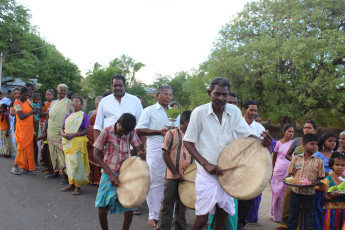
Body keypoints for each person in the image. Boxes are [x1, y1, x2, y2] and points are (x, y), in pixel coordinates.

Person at [183, 77, 272, 230]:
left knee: (223, 214)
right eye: (217, 94)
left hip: (228, 172)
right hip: (207, 173)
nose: (221, 98)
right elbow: (188, 142)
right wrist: (206, 164)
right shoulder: (199, 113)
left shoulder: (233, 111)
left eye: (225, 95)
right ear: (209, 92)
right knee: (202, 217)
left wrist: (261, 140)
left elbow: (245, 134)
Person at [93, 113, 145, 230]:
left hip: (127, 174)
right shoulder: (106, 132)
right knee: (102, 208)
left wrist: (140, 154)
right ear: (118, 122)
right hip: (108, 172)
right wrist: (111, 174)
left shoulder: (130, 132)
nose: (123, 134)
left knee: (129, 208)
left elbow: (138, 150)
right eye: (122, 131)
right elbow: (96, 154)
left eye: (126, 133)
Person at [136, 85, 173, 227]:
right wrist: (160, 132)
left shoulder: (174, 111)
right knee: (155, 181)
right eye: (165, 94)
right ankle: (154, 215)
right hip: (156, 148)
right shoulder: (149, 111)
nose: (168, 97)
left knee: (170, 181)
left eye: (170, 94)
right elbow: (139, 129)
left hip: (172, 149)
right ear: (157, 95)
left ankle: (170, 213)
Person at [276, 120, 318, 230]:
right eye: (305, 128)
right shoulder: (297, 141)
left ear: (315, 130)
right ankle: (284, 225)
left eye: (309, 128)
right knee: (289, 201)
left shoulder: (317, 143)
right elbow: (288, 155)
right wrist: (296, 161)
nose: (306, 130)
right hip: (296, 176)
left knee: (307, 208)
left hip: (310, 179)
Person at [208, 91, 240, 230]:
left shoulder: (240, 124)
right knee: (213, 207)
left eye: (235, 103)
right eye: (230, 102)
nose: (232, 105)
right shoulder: (212, 122)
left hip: (233, 173)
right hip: (215, 171)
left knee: (228, 209)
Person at [156, 110, 193, 230]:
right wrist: (175, 173)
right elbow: (165, 154)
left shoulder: (194, 136)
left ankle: (180, 228)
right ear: (186, 121)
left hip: (186, 177)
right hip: (171, 176)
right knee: (167, 206)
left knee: (182, 207)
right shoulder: (172, 133)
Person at [286, 133, 325, 230]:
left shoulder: (319, 161)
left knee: (309, 218)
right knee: (292, 217)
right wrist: (286, 180)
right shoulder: (296, 158)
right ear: (303, 144)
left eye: (316, 144)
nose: (315, 146)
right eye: (312, 144)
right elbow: (290, 174)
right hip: (295, 192)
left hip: (310, 194)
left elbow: (321, 179)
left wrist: (313, 183)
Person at [238, 100, 265, 228]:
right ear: (244, 110)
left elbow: (264, 148)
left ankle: (240, 224)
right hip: (235, 166)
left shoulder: (260, 128)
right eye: (251, 110)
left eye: (255, 111)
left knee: (247, 198)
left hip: (251, 167)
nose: (254, 113)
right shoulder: (237, 124)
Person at [94, 75, 143, 141]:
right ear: (112, 86)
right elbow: (98, 126)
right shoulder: (104, 101)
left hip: (130, 144)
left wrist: (140, 148)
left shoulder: (135, 101)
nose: (118, 88)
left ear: (124, 86)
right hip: (108, 144)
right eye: (115, 86)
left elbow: (141, 125)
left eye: (120, 85)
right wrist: (97, 146)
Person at [60, 96, 90, 195]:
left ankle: (77, 187)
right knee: (69, 164)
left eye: (78, 102)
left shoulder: (84, 116)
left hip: (78, 142)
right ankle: (71, 184)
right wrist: (63, 134)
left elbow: (87, 130)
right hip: (68, 142)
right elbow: (62, 128)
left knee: (77, 164)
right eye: (74, 102)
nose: (76, 103)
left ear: (81, 105)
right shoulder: (68, 115)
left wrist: (75, 134)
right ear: (71, 104)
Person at [45, 84, 73, 182]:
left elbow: (73, 116)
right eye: (61, 90)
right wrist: (45, 130)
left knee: (62, 153)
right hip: (51, 130)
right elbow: (48, 116)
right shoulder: (53, 103)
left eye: (65, 90)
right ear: (57, 91)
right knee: (52, 151)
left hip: (62, 131)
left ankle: (65, 175)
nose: (63, 92)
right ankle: (56, 171)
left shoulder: (69, 102)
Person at [10, 87, 39, 175]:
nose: (26, 97)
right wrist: (32, 112)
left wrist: (34, 112)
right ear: (21, 94)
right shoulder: (16, 103)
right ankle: (14, 167)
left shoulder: (27, 101)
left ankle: (25, 168)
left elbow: (32, 110)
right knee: (22, 148)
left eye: (28, 95)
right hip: (22, 129)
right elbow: (21, 116)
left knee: (29, 149)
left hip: (29, 128)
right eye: (25, 95)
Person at [270, 124, 295, 222]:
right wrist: (272, 170)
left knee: (286, 193)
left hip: (290, 169)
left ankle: (284, 215)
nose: (291, 134)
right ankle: (276, 215)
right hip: (279, 170)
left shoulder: (294, 143)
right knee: (277, 192)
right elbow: (274, 157)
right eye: (289, 131)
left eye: (293, 132)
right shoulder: (278, 143)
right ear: (284, 132)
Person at [314, 131, 339, 230]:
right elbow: (313, 170)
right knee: (318, 211)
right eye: (330, 141)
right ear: (324, 142)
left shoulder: (337, 155)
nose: (332, 143)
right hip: (320, 188)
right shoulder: (318, 155)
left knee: (330, 213)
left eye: (334, 141)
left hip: (333, 187)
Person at [322, 151, 345, 230]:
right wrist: (332, 197)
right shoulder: (327, 179)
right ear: (332, 165)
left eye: (343, 165)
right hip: (332, 211)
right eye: (337, 164)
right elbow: (326, 197)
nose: (340, 167)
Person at [87, 96, 103, 185]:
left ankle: (100, 179)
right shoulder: (91, 113)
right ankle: (92, 179)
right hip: (91, 137)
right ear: (96, 103)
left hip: (101, 136)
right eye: (99, 102)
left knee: (100, 157)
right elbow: (88, 125)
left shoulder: (105, 113)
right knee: (91, 157)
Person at [38, 89, 54, 175]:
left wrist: (48, 113)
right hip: (43, 125)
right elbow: (40, 114)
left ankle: (50, 166)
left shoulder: (55, 104)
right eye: (47, 94)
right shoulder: (43, 104)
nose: (49, 96)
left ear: (53, 96)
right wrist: (47, 113)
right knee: (43, 145)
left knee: (49, 147)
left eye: (50, 94)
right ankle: (44, 162)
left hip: (51, 126)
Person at [31, 93, 41, 169]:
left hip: (37, 125)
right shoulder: (30, 104)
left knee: (35, 143)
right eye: (37, 99)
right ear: (33, 98)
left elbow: (40, 113)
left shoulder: (39, 104)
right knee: (30, 143)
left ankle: (35, 162)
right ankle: (30, 162)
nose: (38, 100)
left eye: (39, 99)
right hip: (30, 124)